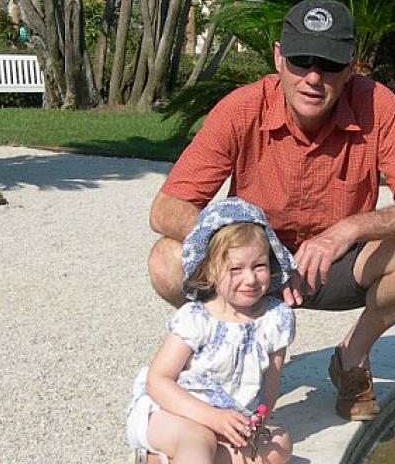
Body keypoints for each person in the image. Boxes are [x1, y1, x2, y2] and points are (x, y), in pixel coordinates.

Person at [147, 0, 395, 421]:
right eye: (300, 61)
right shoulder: (241, 108)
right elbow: (166, 209)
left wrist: (348, 229)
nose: (313, 77)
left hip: (337, 266)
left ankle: (352, 358)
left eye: (328, 65)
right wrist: (259, 250)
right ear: (278, 57)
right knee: (165, 258)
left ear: (351, 68)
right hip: (255, 267)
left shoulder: (378, 106)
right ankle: (234, 342)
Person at [126, 198, 296, 464]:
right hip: (176, 413)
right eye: (235, 269)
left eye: (259, 266)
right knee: (199, 440)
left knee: (280, 444)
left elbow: (271, 384)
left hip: (228, 420)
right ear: (210, 271)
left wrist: (259, 415)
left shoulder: (276, 319)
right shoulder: (197, 319)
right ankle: (179, 454)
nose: (250, 279)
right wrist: (212, 418)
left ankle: (160, 461)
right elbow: (158, 381)